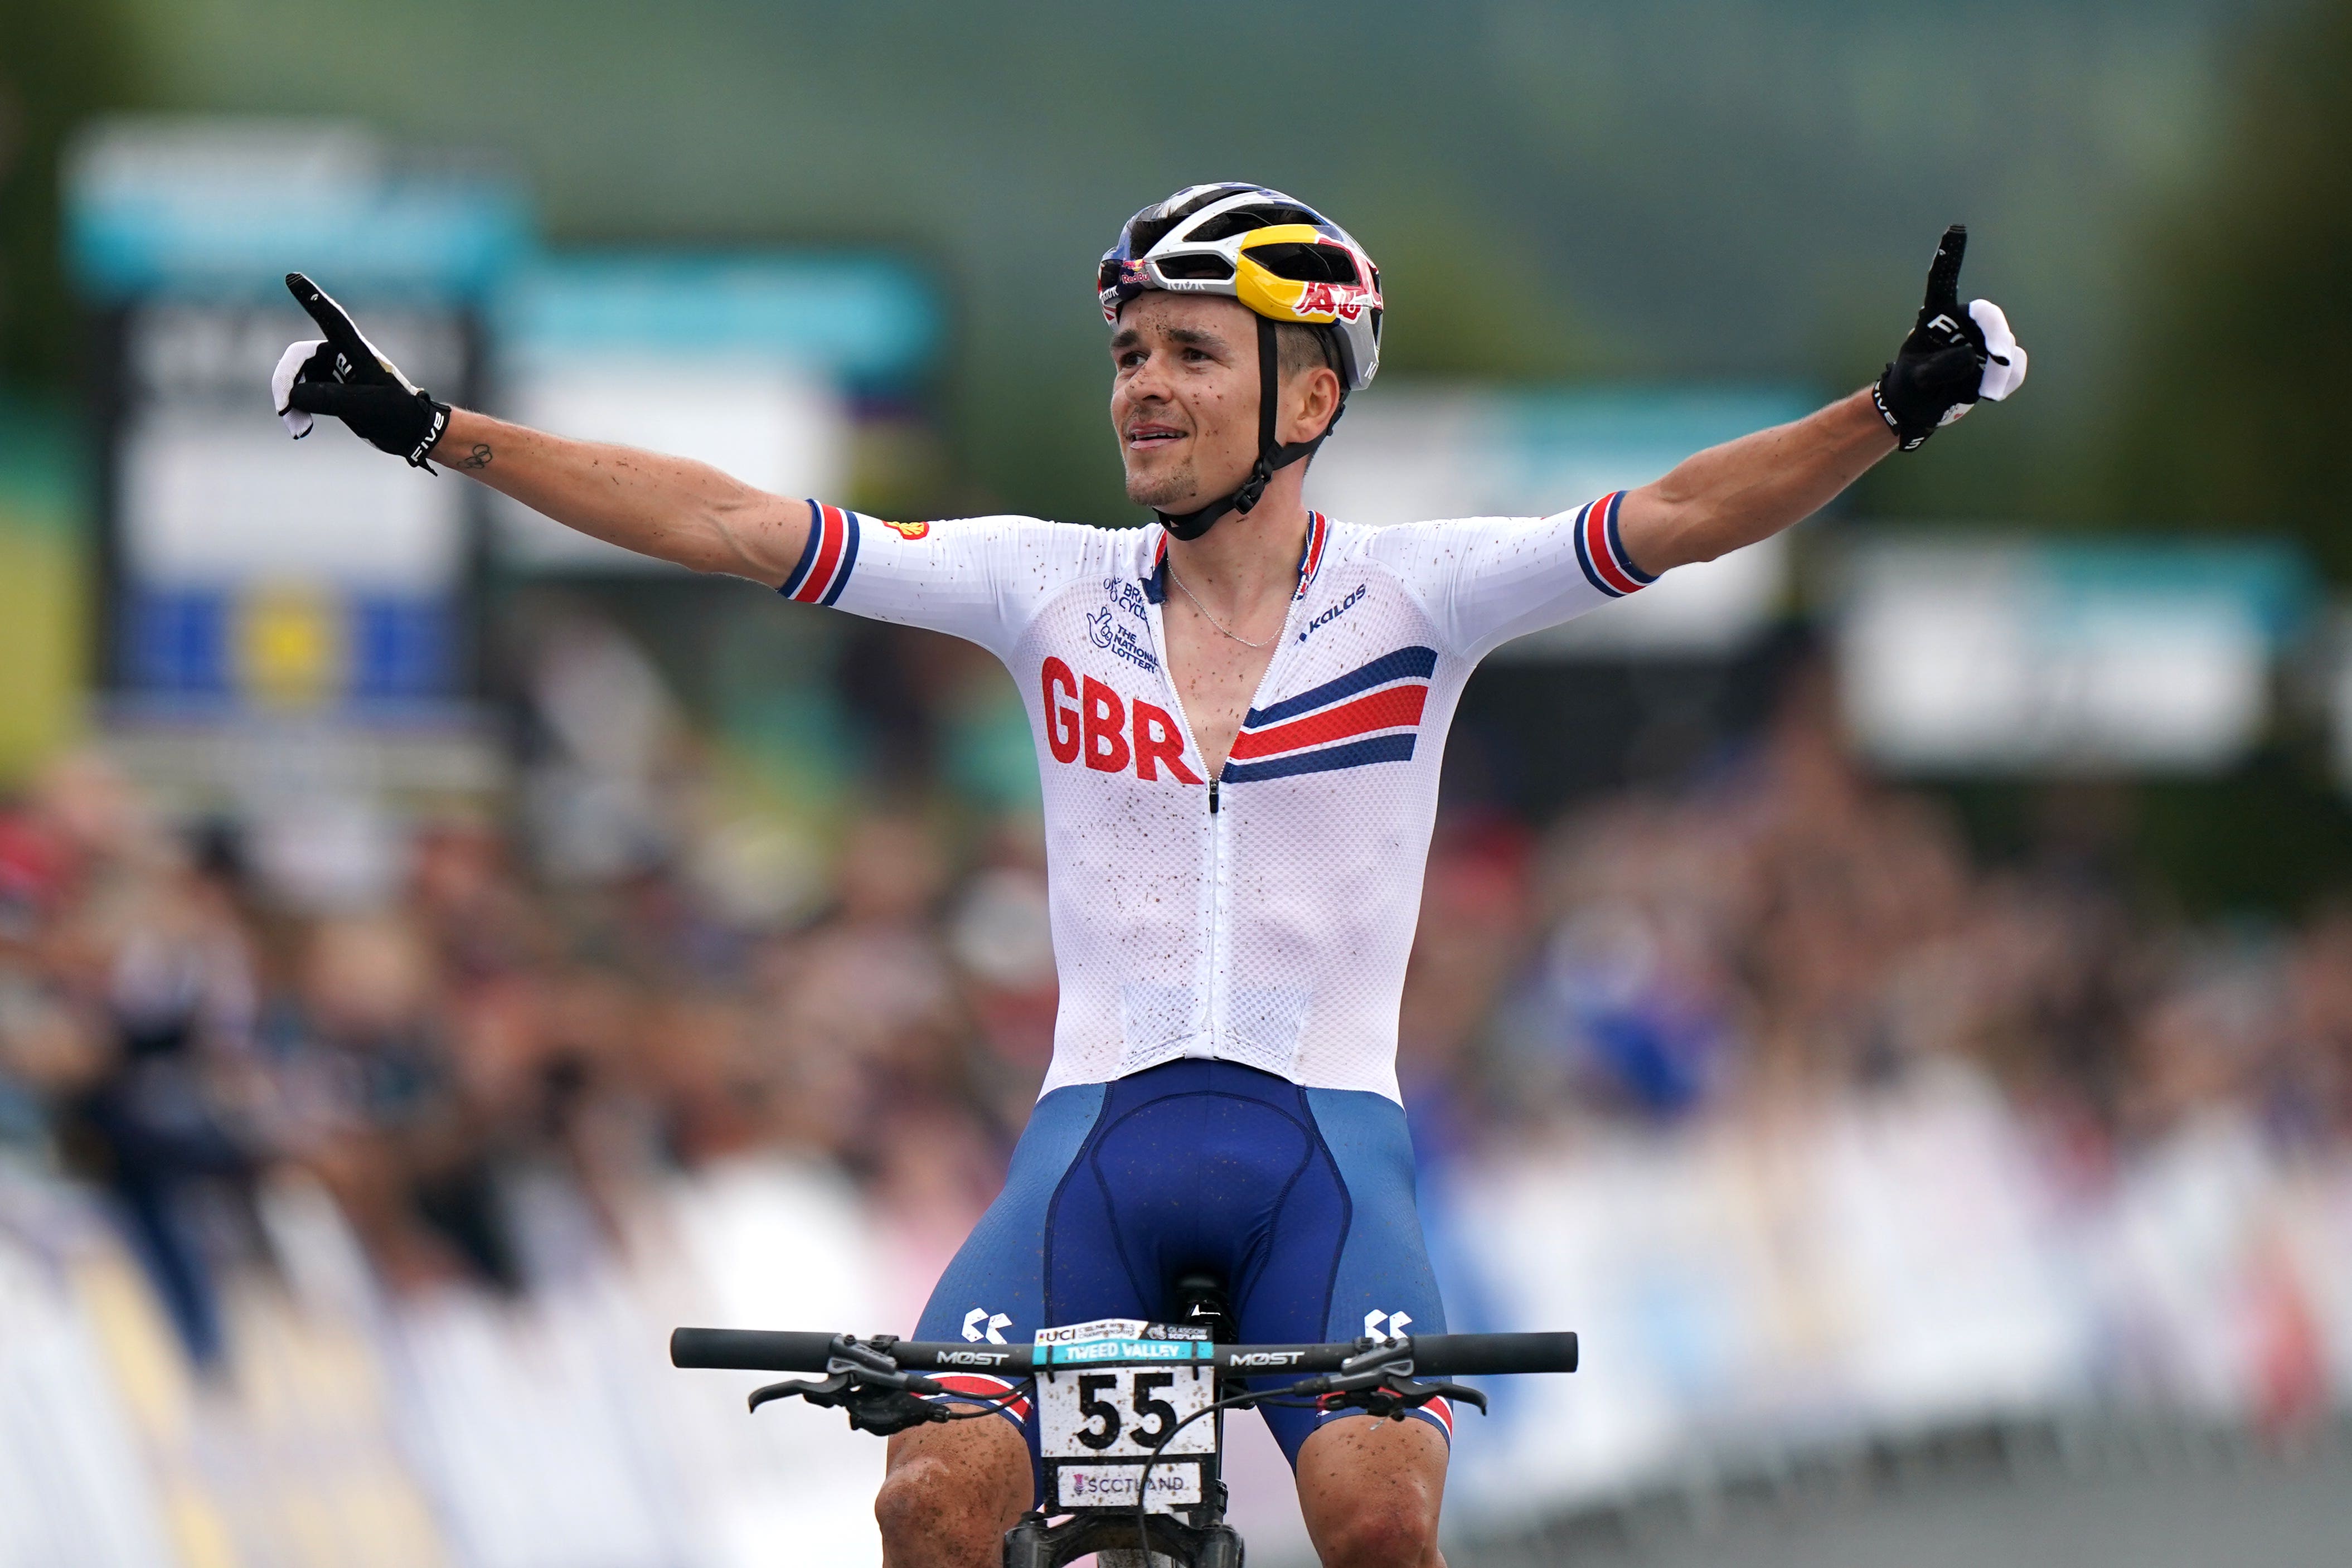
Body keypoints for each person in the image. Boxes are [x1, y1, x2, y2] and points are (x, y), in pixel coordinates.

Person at [274, 183, 2025, 1567]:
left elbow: (1686, 515)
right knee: (927, 1505)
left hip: (1319, 1160)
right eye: (1130, 356)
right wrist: (438, 432)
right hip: (1089, 1155)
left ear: (1309, 390)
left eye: (1193, 352)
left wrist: (1892, 407)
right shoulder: (1043, 586)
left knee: (1376, 1523)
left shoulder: (1428, 594)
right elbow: (735, 524)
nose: (1144, 389)